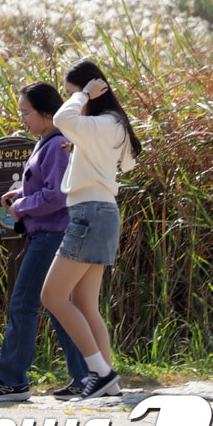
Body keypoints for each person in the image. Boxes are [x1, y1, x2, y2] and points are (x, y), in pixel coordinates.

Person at [0, 82, 89, 400]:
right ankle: (85, 376)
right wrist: (21, 195)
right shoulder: (47, 141)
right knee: (56, 306)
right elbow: (47, 187)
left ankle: (13, 380)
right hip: (47, 234)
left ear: (45, 113)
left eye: (26, 113)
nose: (22, 119)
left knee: (23, 303)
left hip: (51, 236)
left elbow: (58, 195)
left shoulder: (56, 144)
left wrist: (21, 206)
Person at [40, 60, 141, 400]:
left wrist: (83, 94)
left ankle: (99, 371)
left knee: (52, 296)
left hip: (90, 214)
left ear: (93, 92)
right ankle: (108, 381)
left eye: (73, 93)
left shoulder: (100, 124)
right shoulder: (109, 124)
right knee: (84, 302)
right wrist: (81, 145)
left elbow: (61, 119)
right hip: (100, 213)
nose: (74, 99)